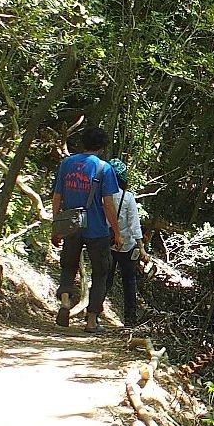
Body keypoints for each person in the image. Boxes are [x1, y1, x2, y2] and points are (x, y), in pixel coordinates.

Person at [51, 127, 122, 334]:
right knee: (100, 273)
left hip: (71, 225)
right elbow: (108, 204)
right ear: (102, 147)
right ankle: (91, 321)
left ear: (83, 143)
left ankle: (65, 302)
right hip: (97, 229)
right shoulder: (104, 168)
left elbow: (57, 197)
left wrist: (57, 225)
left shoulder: (67, 163)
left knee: (68, 266)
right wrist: (117, 232)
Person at [106, 158, 149, 327]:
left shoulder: (103, 195)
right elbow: (134, 225)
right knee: (129, 282)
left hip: (107, 243)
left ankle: (93, 314)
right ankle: (130, 321)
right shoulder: (128, 197)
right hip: (127, 247)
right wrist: (142, 249)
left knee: (104, 279)